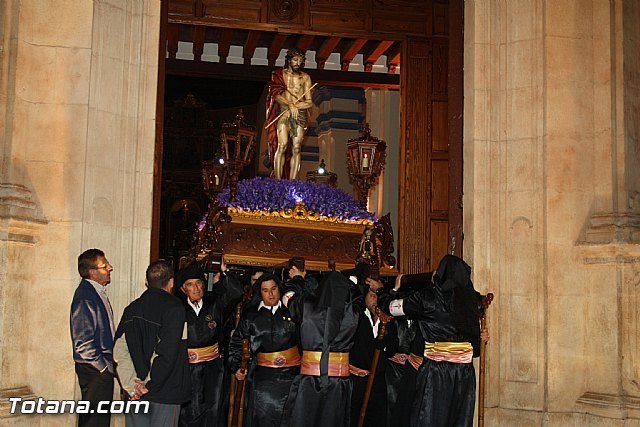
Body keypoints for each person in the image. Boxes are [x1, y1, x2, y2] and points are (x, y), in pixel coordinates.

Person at [375, 255, 484, 427]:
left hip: (437, 373)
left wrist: (383, 292)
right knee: (458, 420)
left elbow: (392, 308)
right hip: (465, 374)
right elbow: (476, 348)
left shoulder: (430, 297)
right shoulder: (472, 302)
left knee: (429, 418)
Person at [114, 260, 191, 427]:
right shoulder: (175, 309)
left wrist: (132, 385)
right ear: (171, 282)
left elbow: (119, 350)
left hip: (136, 393)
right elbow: (167, 352)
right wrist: (148, 385)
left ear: (147, 282)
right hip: (164, 393)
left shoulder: (131, 309)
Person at [280, 271, 361, 427]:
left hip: (309, 380)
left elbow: (288, 297)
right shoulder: (353, 312)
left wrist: (298, 279)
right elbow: (358, 295)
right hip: (339, 382)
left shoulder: (306, 306)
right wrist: (351, 281)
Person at [228, 273, 301, 427]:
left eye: (274, 289)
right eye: (266, 290)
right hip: (263, 378)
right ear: (260, 293)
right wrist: (236, 366)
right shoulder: (251, 316)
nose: (271, 294)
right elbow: (237, 342)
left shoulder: (292, 312)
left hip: (293, 376)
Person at [176, 262, 243, 427]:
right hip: (187, 368)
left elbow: (237, 292)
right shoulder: (177, 308)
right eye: (190, 285)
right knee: (189, 412)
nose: (196, 288)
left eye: (199, 283)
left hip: (213, 367)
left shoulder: (214, 304)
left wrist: (224, 271)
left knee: (212, 411)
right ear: (183, 289)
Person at [70, 248, 115, 427]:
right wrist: (102, 367)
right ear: (92, 272)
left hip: (99, 369)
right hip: (94, 370)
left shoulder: (95, 292)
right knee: (94, 422)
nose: (110, 268)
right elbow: (82, 343)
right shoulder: (85, 296)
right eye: (104, 266)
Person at [349, 284, 397, 427]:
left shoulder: (389, 321)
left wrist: (384, 341)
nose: (375, 298)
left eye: (377, 294)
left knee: (376, 419)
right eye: (371, 293)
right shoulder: (356, 317)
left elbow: (391, 350)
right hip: (357, 380)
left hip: (378, 381)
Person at [265, 48, 314, 180]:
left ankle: (293, 181)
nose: (297, 63)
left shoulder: (305, 78)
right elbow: (275, 94)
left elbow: (309, 102)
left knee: (297, 148)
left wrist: (296, 106)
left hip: (299, 114)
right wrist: (289, 104)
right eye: (295, 60)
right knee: (282, 145)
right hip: (284, 112)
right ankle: (278, 180)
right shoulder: (280, 74)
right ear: (289, 60)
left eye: (300, 60)